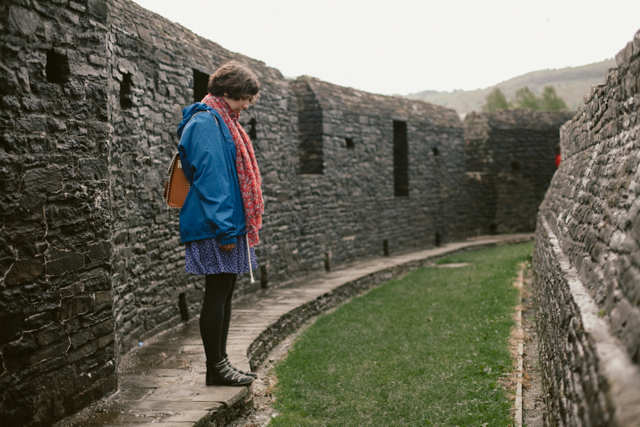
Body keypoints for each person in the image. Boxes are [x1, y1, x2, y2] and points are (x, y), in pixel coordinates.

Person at [176, 61, 264, 386]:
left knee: (225, 291)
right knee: (216, 292)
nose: (246, 105)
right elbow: (213, 180)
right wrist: (226, 228)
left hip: (225, 223)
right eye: (243, 98)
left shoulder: (222, 121)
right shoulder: (206, 123)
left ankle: (221, 365)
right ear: (227, 91)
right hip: (215, 225)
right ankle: (216, 367)